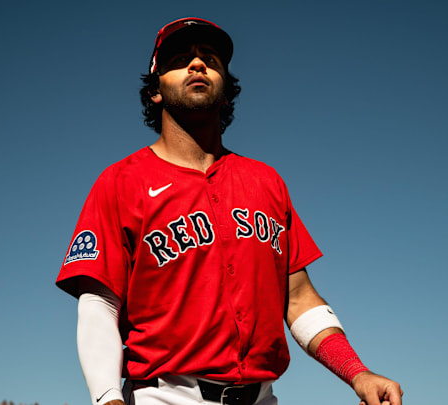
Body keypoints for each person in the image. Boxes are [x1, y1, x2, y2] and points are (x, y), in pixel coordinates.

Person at [56, 17, 402, 405]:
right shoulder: (120, 182)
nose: (198, 64)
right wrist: (107, 398)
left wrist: (357, 372)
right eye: (181, 58)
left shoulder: (267, 181)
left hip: (261, 397)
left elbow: (300, 298)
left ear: (225, 90)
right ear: (155, 90)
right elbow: (99, 303)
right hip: (165, 396)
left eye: (211, 59)